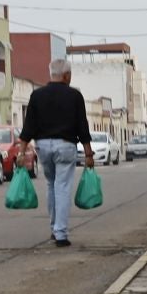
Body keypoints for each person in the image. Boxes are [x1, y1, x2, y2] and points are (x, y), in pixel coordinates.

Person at [18, 59, 95, 248]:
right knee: (62, 187)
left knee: (51, 185)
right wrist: (88, 153)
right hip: (65, 146)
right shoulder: (75, 96)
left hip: (43, 146)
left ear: (51, 73)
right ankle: (61, 233)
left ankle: (54, 228)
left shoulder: (37, 95)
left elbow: (29, 126)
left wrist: (21, 151)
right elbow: (82, 126)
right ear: (66, 75)